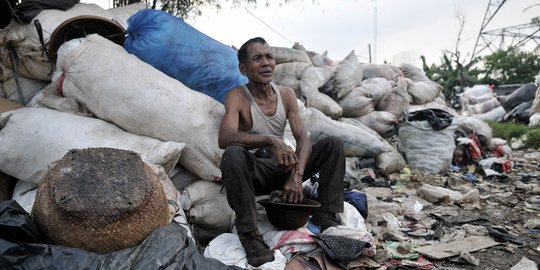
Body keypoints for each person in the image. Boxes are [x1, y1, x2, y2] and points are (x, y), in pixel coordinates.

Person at [218, 37, 345, 267]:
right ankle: (250, 237)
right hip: (257, 173)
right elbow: (225, 138)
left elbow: (303, 137)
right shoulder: (237, 96)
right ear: (243, 68)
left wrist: (296, 176)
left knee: (333, 145)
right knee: (233, 154)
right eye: (257, 58)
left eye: (269, 57)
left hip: (285, 167)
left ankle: (326, 216)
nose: (266, 63)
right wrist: (269, 140)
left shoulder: (285, 94)